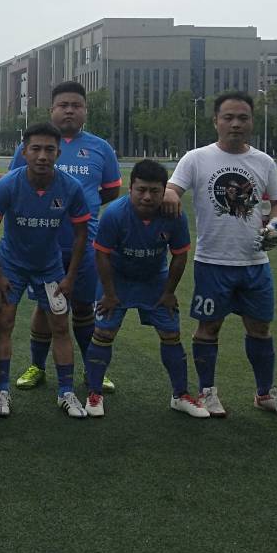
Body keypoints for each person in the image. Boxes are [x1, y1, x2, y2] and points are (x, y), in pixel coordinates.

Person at [162, 91, 277, 419]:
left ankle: (264, 393)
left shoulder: (264, 162)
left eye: (242, 118)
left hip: (255, 262)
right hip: (213, 262)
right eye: (228, 117)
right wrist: (170, 194)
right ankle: (207, 392)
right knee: (208, 328)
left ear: (252, 122)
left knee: (260, 329)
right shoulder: (196, 158)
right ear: (216, 121)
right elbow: (172, 188)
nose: (235, 124)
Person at [10, 81, 121, 394]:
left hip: (84, 245)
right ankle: (37, 366)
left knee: (85, 307)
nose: (69, 110)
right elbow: (17, 185)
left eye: (76, 105)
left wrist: (84, 209)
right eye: (63, 105)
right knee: (46, 307)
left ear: (85, 110)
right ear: (52, 110)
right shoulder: (32, 147)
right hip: (44, 245)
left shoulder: (101, 148)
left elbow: (111, 190)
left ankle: (92, 368)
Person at [0, 123, 91, 418]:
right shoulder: (9, 184)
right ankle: (2, 390)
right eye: (36, 149)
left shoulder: (70, 187)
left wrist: (70, 276)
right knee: (4, 323)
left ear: (58, 153)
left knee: (60, 326)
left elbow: (81, 234)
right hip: (12, 266)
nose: (42, 156)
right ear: (24, 151)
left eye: (49, 149)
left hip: (49, 267)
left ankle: (66, 392)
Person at [87, 159, 207, 418]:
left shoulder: (174, 215)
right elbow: (101, 255)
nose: (147, 197)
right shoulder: (114, 214)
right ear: (130, 188)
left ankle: (180, 395)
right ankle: (94, 394)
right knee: (103, 333)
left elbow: (179, 255)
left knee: (171, 333)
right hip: (117, 279)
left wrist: (169, 292)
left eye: (154, 191)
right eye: (141, 190)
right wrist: (109, 294)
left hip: (154, 280)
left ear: (164, 192)